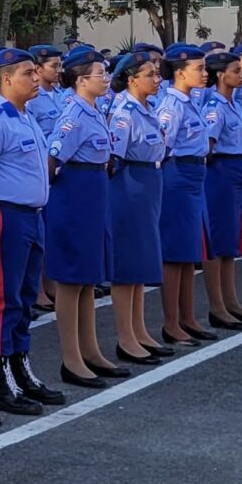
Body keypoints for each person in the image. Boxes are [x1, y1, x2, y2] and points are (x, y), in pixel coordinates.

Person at [0, 48, 62, 415]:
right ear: (7, 79)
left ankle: (21, 368)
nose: (36, 78)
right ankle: (1, 383)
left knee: (25, 296)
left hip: (31, 215)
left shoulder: (25, 116)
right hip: (5, 215)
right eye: (29, 73)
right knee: (3, 297)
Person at [45, 48, 123, 386]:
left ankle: (90, 350)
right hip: (74, 195)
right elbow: (52, 160)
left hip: (93, 193)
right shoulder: (73, 115)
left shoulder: (94, 110)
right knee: (71, 277)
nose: (106, 79)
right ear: (80, 80)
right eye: (99, 74)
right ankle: (71, 358)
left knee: (88, 277)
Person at [104, 54, 170, 367]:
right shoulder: (124, 114)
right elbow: (112, 160)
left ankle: (139, 330)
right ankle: (125, 337)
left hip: (149, 183)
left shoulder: (148, 108)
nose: (157, 79)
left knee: (142, 260)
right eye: (150, 74)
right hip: (130, 186)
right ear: (132, 80)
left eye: (157, 74)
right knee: (128, 262)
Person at [152, 47, 214, 347]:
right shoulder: (171, 105)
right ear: (179, 72)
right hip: (177, 174)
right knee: (175, 251)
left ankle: (188, 317)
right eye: (199, 69)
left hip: (194, 174)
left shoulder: (190, 101)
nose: (205, 74)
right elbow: (162, 147)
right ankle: (171, 322)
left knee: (190, 251)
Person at [196, 51, 242, 328]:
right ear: (220, 75)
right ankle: (217, 306)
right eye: (235, 71)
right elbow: (207, 146)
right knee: (219, 240)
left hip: (237, 168)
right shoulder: (215, 107)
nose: (241, 75)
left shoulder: (233, 104)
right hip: (221, 171)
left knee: (232, 240)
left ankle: (231, 301)